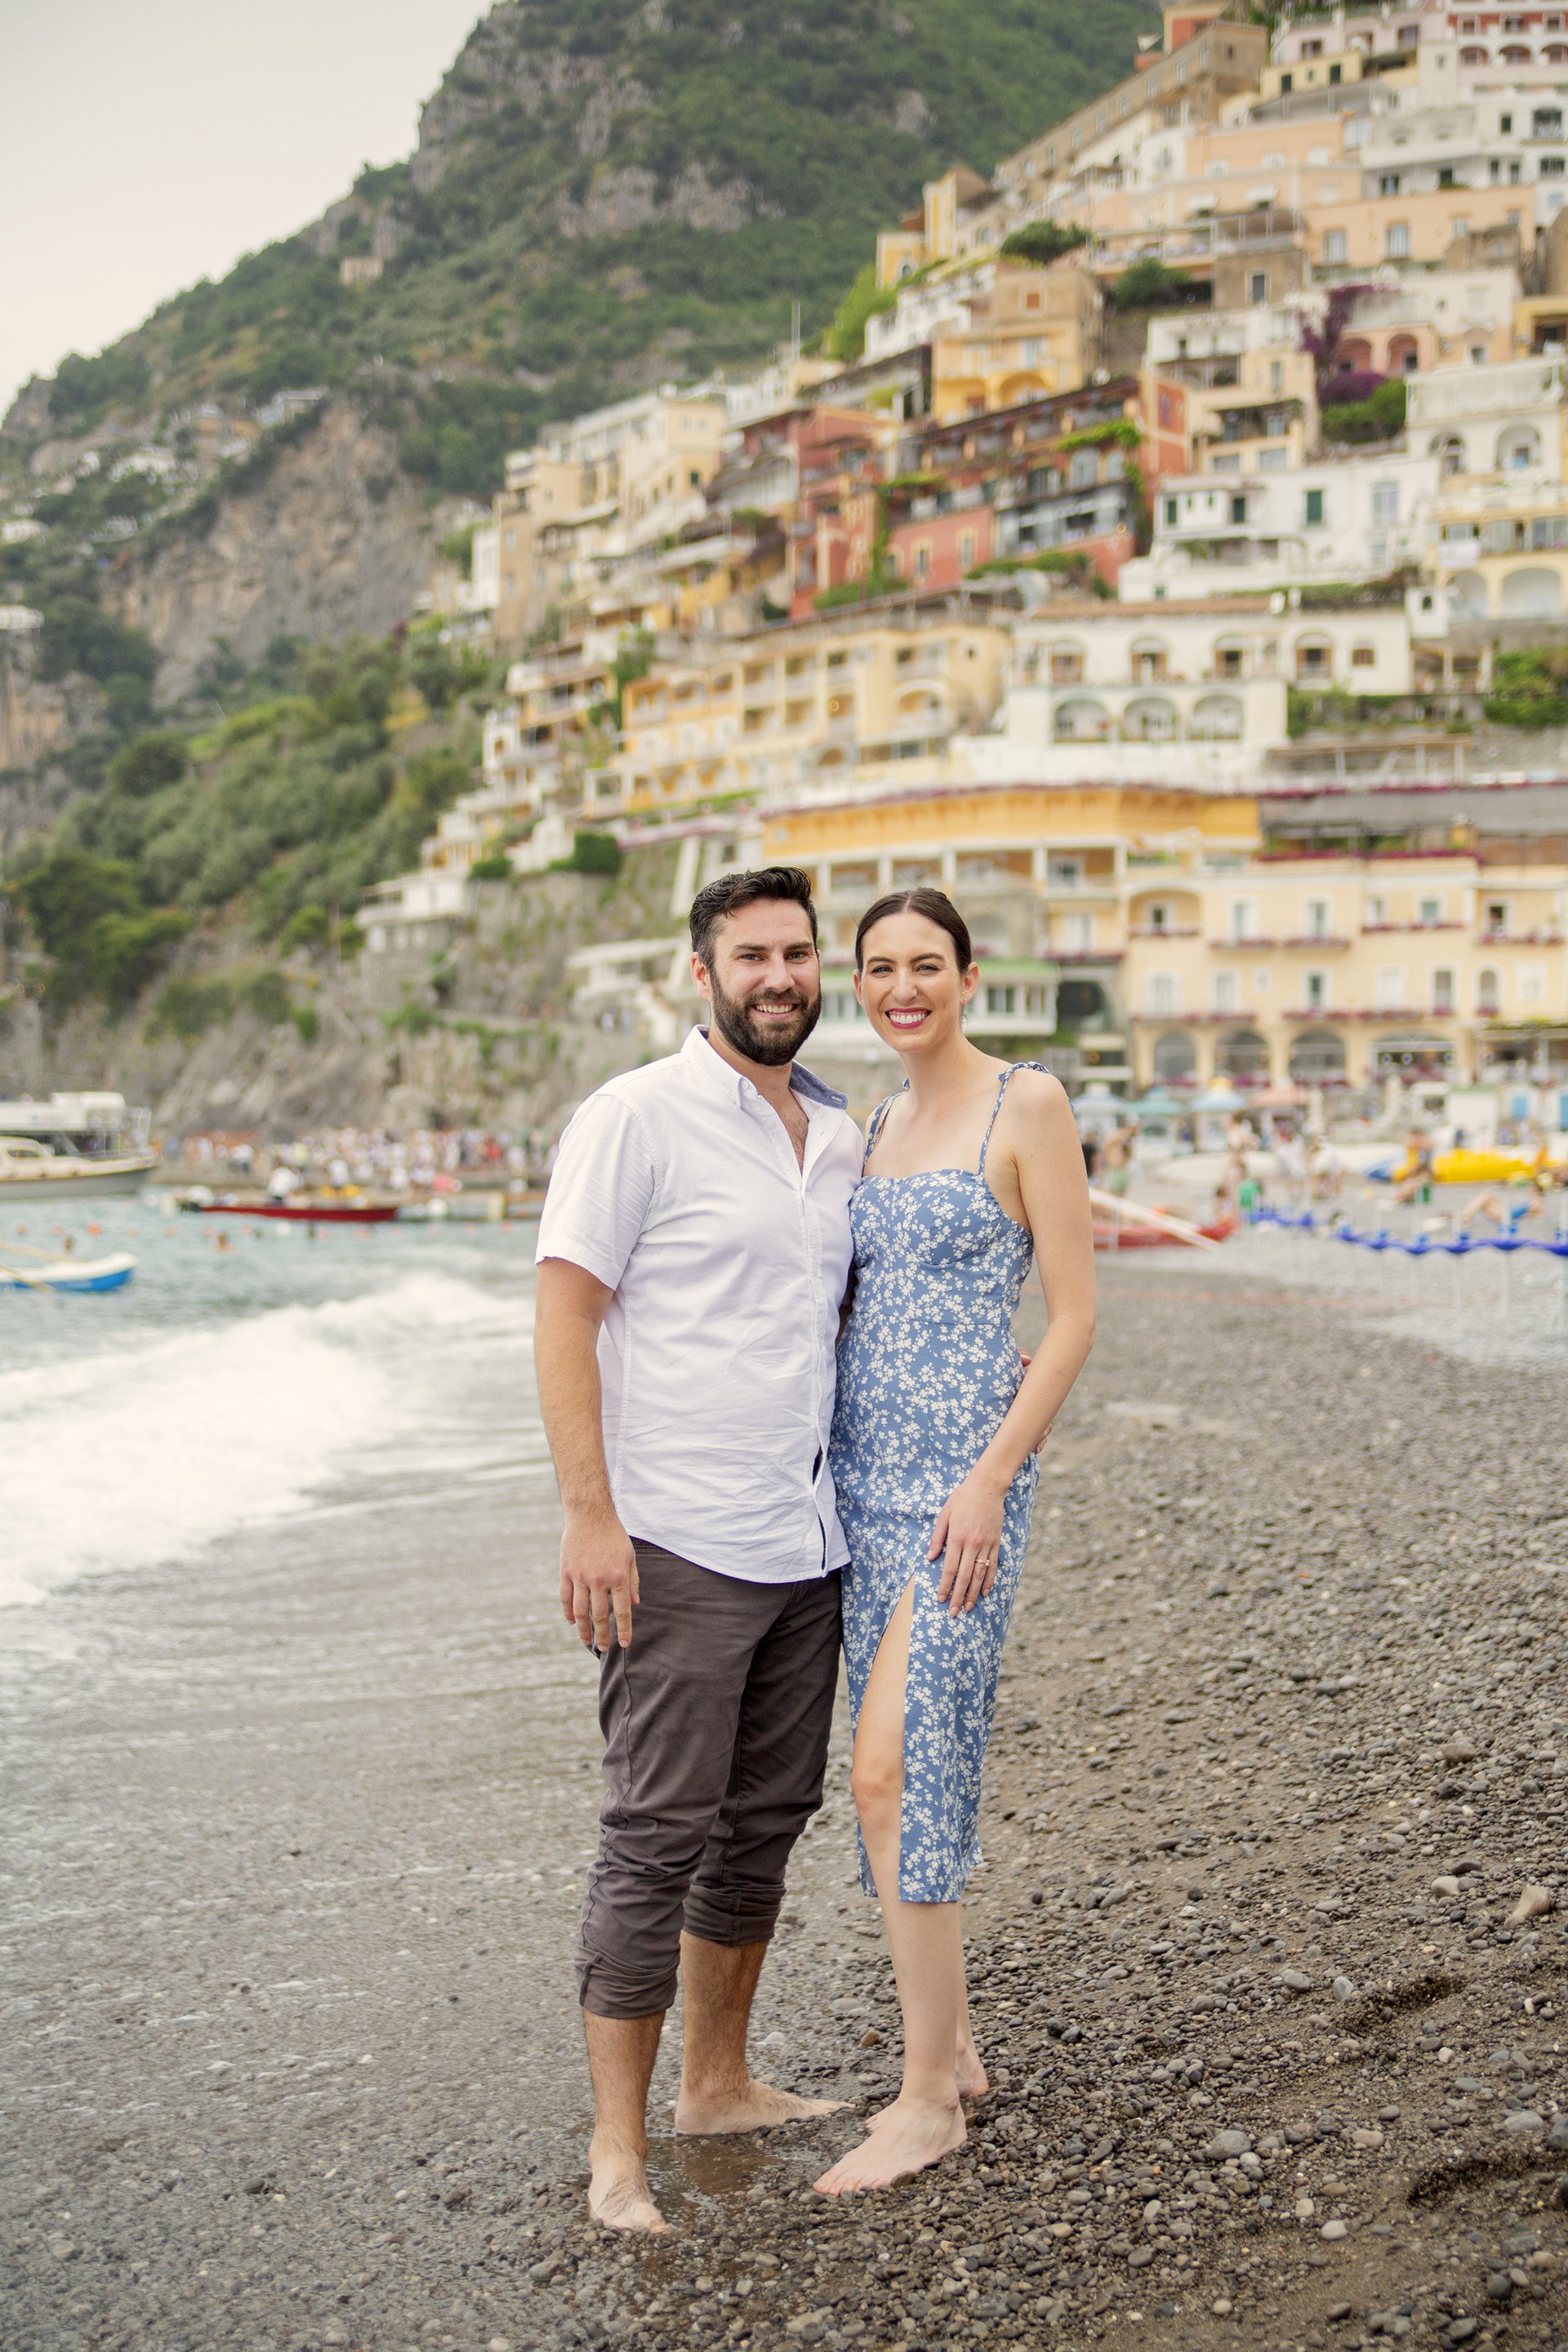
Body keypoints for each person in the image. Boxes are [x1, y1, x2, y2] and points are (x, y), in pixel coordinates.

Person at [532, 866, 862, 2234]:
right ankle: (619, 2153)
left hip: (810, 1534)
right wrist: (588, 1514)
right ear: (703, 971)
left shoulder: (839, 1132)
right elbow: (564, 1312)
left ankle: (716, 2085)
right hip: (674, 1539)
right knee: (654, 1833)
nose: (777, 975)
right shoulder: (634, 1119)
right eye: (751, 955)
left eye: (795, 953)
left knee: (766, 1823)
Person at [813, 889, 1096, 2197]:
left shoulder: (1022, 1104)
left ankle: (929, 2100)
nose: (902, 987)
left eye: (927, 964)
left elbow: (1075, 1319)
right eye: (880, 968)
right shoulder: (870, 1125)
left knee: (893, 1771)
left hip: (960, 1491)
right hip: (864, 1490)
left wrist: (990, 1477)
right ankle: (957, 2044)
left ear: (970, 976)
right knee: (882, 1772)